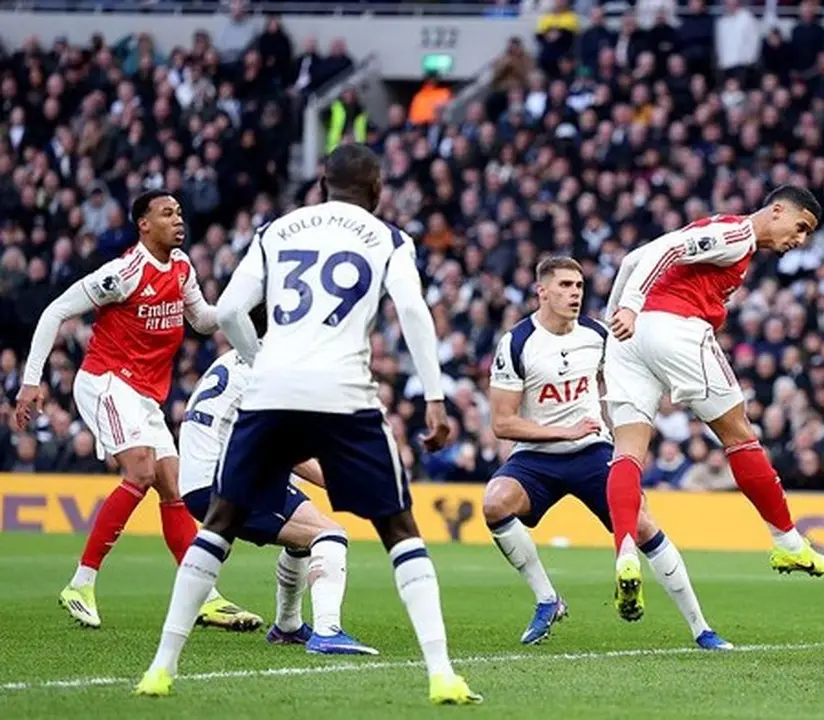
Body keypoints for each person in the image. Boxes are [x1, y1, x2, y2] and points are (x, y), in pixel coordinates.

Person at [134, 144, 481, 705]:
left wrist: (258, 360)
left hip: (272, 390)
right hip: (344, 390)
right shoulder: (389, 238)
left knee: (217, 527)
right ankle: (442, 674)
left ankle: (160, 668)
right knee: (399, 530)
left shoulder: (275, 230)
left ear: (322, 185)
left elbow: (227, 312)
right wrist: (436, 398)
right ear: (376, 190)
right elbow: (413, 311)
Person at [13, 190, 259, 632]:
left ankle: (204, 597)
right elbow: (55, 312)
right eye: (167, 214)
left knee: (172, 485)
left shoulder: (181, 267)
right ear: (143, 224)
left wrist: (238, 308)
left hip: (145, 393)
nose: (178, 220)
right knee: (142, 470)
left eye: (179, 212)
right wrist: (32, 380)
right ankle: (81, 583)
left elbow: (203, 320)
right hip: (106, 380)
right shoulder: (123, 273)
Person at [602, 185, 824, 619]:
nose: (800, 239)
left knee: (628, 450)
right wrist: (630, 307)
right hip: (675, 328)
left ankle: (626, 552)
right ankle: (789, 543)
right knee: (740, 435)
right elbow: (670, 249)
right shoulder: (736, 235)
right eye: (801, 227)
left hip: (628, 342)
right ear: (777, 211)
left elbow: (634, 258)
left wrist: (615, 318)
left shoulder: (722, 233)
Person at [484, 256, 731, 649]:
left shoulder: (596, 335)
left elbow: (633, 369)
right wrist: (563, 431)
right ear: (542, 291)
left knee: (643, 525)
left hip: (592, 451)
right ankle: (547, 600)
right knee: (495, 503)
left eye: (579, 286)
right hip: (536, 455)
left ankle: (702, 629)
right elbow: (502, 423)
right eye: (565, 285)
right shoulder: (516, 343)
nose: (574, 294)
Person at [176, 305, 376, 655]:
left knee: (302, 539)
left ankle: (288, 626)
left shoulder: (232, 359)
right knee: (329, 534)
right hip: (224, 481)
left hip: (203, 477)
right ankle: (328, 631)